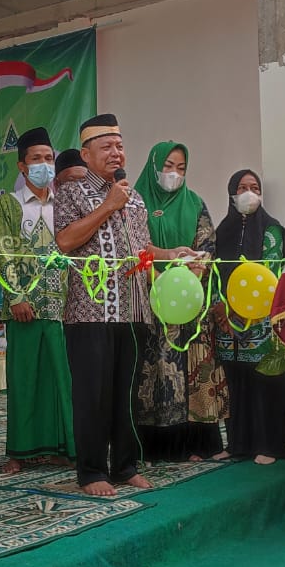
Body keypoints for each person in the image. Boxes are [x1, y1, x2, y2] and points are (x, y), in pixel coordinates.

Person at [54, 114, 198, 497]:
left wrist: (171, 254)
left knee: (127, 393)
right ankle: (91, 471)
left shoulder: (134, 198)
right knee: (93, 395)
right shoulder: (71, 193)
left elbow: (140, 250)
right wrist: (107, 205)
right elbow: (65, 241)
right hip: (90, 313)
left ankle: (124, 466)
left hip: (133, 309)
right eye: (106, 147)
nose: (116, 153)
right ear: (86, 154)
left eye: (119, 146)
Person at [132, 141, 227, 462]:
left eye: (181, 168)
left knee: (195, 368)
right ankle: (158, 446)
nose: (174, 173)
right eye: (168, 166)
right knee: (157, 370)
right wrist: (160, 276)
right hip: (151, 300)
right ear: (154, 165)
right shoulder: (135, 203)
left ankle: (199, 442)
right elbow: (133, 247)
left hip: (191, 300)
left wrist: (197, 268)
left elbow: (208, 245)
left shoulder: (194, 203)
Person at [0, 127, 75, 474]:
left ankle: (63, 448)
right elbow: (3, 251)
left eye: (49, 158)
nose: (44, 164)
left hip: (62, 305)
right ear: (22, 166)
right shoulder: (9, 204)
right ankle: (19, 452)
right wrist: (16, 297)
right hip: (24, 307)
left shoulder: (64, 203)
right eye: (36, 159)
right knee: (24, 380)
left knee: (60, 381)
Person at [213, 169, 285, 464]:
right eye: (242, 187)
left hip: (260, 318)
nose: (249, 193)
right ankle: (238, 444)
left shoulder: (271, 230)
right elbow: (214, 271)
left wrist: (242, 306)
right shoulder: (223, 231)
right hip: (226, 319)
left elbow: (270, 273)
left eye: (255, 188)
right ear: (231, 194)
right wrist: (220, 307)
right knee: (236, 382)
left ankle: (270, 445)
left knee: (264, 381)